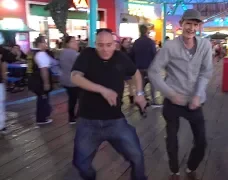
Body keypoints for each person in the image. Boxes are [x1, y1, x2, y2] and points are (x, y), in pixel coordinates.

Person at [71, 28, 148, 180]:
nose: (105, 49)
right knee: (80, 164)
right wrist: (102, 90)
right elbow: (75, 77)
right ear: (95, 44)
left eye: (108, 45)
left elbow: (136, 73)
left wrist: (139, 94)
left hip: (115, 120)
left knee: (137, 156)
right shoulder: (87, 55)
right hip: (88, 121)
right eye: (101, 45)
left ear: (115, 44)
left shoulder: (121, 57)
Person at [148, 9, 213, 180]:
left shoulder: (205, 45)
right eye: (188, 24)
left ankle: (191, 166)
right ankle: (174, 169)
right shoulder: (170, 46)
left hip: (195, 101)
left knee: (201, 141)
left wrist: (198, 95)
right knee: (171, 139)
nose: (191, 28)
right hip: (173, 100)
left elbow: (206, 72)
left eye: (195, 24)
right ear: (181, 24)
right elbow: (153, 72)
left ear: (199, 26)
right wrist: (170, 94)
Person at [131, 24, 159, 108]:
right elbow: (154, 54)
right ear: (147, 31)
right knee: (153, 84)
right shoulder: (150, 42)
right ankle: (153, 101)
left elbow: (132, 54)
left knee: (141, 85)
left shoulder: (136, 42)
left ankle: (142, 99)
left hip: (139, 67)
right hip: (149, 67)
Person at [28, 36, 53, 125]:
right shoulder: (41, 54)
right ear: (40, 44)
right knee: (43, 99)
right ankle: (42, 118)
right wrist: (46, 83)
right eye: (44, 42)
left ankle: (42, 116)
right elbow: (44, 70)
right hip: (40, 81)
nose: (46, 44)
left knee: (41, 99)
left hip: (34, 80)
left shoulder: (32, 53)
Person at [59, 36, 79, 124]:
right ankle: (74, 117)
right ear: (67, 44)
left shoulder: (63, 52)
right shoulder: (73, 53)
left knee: (72, 98)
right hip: (73, 80)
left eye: (75, 41)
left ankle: (73, 117)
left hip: (65, 79)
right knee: (79, 98)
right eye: (73, 42)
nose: (75, 43)